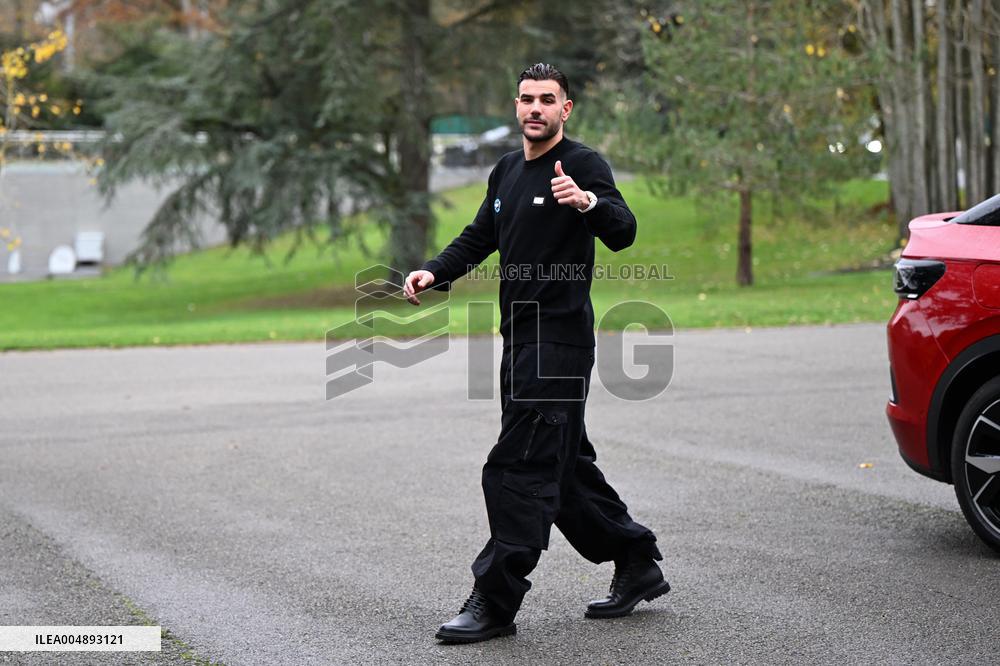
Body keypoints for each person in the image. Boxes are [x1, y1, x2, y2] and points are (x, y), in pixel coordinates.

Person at [403, 63, 668, 644]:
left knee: (520, 466)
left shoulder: (581, 165)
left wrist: (587, 202)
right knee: (560, 465)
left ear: (565, 109)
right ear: (516, 104)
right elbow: (481, 236)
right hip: (519, 339)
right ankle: (636, 561)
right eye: (526, 99)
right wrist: (436, 271)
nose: (535, 109)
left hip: (559, 341)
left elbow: (623, 229)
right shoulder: (506, 170)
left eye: (547, 100)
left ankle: (494, 602)